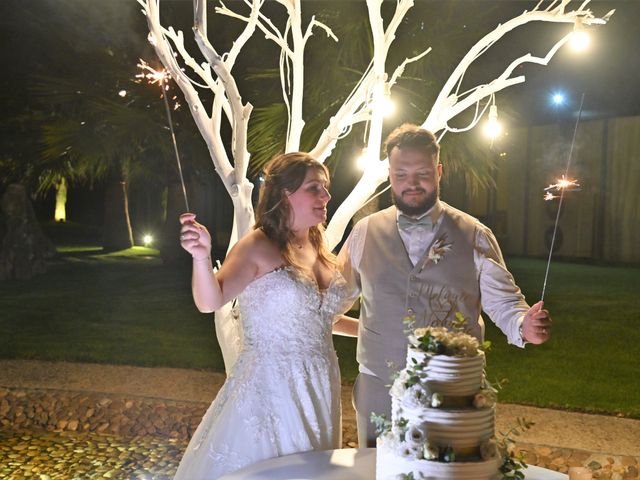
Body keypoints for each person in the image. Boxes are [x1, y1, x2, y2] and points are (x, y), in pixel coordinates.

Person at [335, 124, 553, 447]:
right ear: (389, 175)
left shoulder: (475, 234)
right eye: (401, 174)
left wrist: (525, 325)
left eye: (422, 173)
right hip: (378, 387)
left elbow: (505, 304)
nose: (411, 184)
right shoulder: (364, 233)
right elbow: (332, 300)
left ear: (439, 171)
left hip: (454, 390)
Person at [175, 152, 353, 479]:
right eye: (315, 188)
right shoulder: (257, 245)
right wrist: (201, 256)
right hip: (271, 389)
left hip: (320, 383)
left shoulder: (319, 246)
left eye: (325, 188)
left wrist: (372, 329)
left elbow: (315, 320)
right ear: (285, 194)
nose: (326, 196)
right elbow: (209, 301)